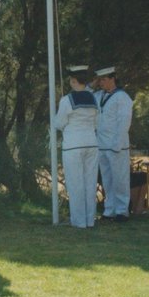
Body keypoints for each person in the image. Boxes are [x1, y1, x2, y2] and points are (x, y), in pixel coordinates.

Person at [54, 65, 99, 228]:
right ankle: (89, 220)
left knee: (76, 183)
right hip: (92, 143)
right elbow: (97, 122)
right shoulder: (94, 98)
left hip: (73, 145)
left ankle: (79, 221)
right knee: (90, 182)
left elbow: (59, 123)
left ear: (73, 81)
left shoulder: (67, 100)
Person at [94, 66, 133, 222]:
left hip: (117, 145)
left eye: (104, 79)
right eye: (99, 80)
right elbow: (85, 93)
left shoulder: (122, 97)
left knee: (120, 179)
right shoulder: (98, 95)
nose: (101, 82)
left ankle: (122, 210)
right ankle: (109, 209)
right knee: (107, 179)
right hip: (101, 144)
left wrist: (117, 144)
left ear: (112, 79)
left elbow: (124, 122)